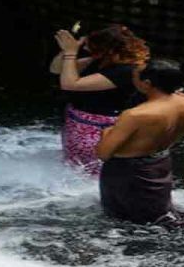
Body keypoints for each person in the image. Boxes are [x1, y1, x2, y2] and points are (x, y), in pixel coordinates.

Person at [96, 59, 184, 225]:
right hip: (160, 162)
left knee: (126, 221)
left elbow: (103, 154)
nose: (132, 77)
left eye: (135, 75)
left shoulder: (136, 115)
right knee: (158, 215)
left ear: (147, 83)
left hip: (127, 171)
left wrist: (106, 132)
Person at [51, 25, 150, 175]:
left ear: (108, 50)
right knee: (75, 168)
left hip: (98, 128)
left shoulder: (126, 71)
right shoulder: (98, 61)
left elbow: (69, 84)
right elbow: (56, 69)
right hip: (77, 123)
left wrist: (71, 53)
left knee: (94, 172)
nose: (88, 50)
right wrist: (67, 51)